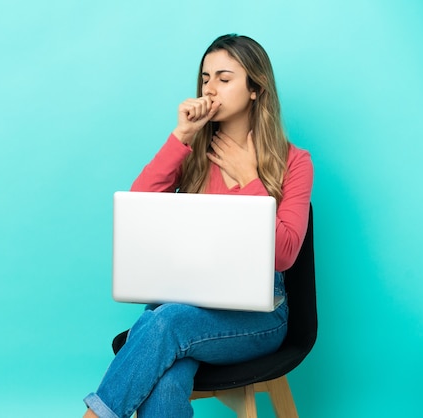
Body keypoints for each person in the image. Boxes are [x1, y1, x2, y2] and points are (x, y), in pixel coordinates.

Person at [83, 34, 313, 418]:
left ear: (255, 88)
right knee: (168, 375)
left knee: (166, 322)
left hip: (258, 317)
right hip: (184, 303)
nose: (210, 88)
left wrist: (249, 181)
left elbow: (286, 254)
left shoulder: (295, 162)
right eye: (205, 78)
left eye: (224, 78)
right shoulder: (194, 153)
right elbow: (139, 210)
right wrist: (182, 137)